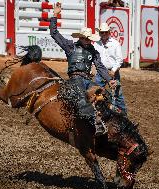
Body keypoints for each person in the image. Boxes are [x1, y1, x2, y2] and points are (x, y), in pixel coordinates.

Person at [49, 2, 116, 136]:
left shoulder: (93, 51)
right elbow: (54, 33)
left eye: (88, 38)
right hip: (75, 79)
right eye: (84, 38)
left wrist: (109, 80)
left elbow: (100, 67)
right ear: (80, 38)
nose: (87, 40)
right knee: (81, 98)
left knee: (104, 95)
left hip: (86, 79)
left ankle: (103, 121)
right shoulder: (70, 46)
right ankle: (93, 125)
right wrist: (55, 15)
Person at [93, 23, 127, 115]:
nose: (103, 34)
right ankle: (99, 112)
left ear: (109, 32)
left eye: (105, 32)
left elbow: (119, 59)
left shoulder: (115, 44)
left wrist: (113, 70)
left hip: (113, 72)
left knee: (117, 94)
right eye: (102, 32)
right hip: (100, 72)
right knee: (97, 93)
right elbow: (94, 58)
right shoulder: (96, 44)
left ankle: (123, 114)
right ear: (99, 33)